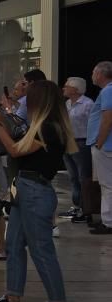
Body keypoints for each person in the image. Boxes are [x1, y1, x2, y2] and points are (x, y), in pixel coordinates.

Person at [0, 80, 77, 302]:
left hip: (35, 191)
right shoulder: (44, 125)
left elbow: (15, 150)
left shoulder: (49, 128)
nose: (26, 100)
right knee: (13, 245)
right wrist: (4, 117)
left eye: (30, 97)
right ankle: (12, 298)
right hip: (25, 188)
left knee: (41, 249)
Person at [60, 77, 94, 224]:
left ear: (75, 89)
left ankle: (85, 209)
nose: (64, 88)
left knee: (83, 176)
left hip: (81, 142)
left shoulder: (88, 104)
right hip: (67, 142)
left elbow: (93, 124)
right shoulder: (67, 104)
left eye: (67, 86)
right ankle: (76, 205)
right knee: (73, 176)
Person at [87, 61, 112, 235]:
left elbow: (107, 118)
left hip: (105, 145)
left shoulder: (108, 90)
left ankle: (108, 221)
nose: (92, 76)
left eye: (94, 72)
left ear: (101, 74)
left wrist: (99, 142)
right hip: (105, 145)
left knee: (107, 184)